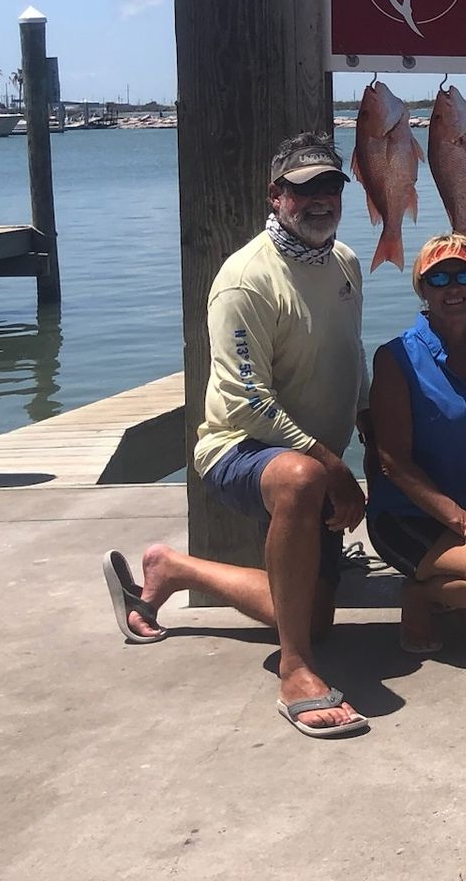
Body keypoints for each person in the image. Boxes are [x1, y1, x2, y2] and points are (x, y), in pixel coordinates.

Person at [99, 134, 370, 739]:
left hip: (307, 455)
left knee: (312, 613)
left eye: (330, 186)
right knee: (302, 478)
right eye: (302, 189)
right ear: (276, 197)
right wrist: (332, 466)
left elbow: (353, 358)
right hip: (237, 449)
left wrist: (373, 427)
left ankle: (173, 569)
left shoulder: (346, 264)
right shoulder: (244, 280)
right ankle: (296, 670)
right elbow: (248, 403)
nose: (319, 199)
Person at [365, 233, 466, 653]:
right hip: (408, 517)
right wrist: (463, 522)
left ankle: (438, 586)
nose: (452, 288)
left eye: (464, 276)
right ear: (421, 288)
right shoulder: (395, 358)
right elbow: (393, 463)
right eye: (437, 279)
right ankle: (419, 595)